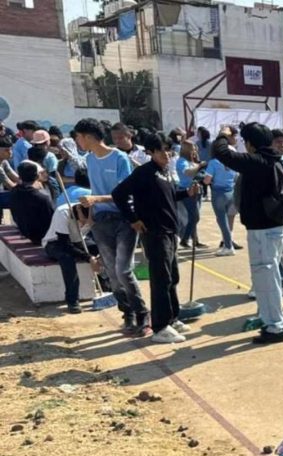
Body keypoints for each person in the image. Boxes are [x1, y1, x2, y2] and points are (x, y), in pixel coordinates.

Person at [211, 124, 283, 344]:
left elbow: (221, 152)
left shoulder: (258, 162)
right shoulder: (275, 161)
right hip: (270, 228)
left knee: (267, 279)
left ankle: (276, 326)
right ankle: (270, 322)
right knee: (265, 279)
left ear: (250, 144)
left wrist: (223, 135)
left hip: (264, 230)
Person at [109, 132, 196, 344]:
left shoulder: (165, 171)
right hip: (155, 233)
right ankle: (160, 327)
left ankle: (172, 318)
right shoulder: (144, 172)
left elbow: (170, 196)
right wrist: (133, 219)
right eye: (162, 151)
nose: (167, 154)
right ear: (151, 152)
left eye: (169, 150)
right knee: (160, 279)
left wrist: (187, 193)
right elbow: (119, 194)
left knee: (172, 277)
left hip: (170, 232)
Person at [74, 118, 150, 337]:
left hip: (124, 219)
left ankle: (142, 314)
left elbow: (124, 192)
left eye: (78, 137)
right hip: (101, 221)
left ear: (88, 136)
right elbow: (94, 191)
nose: (77, 142)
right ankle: (127, 313)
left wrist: (96, 199)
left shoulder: (119, 158)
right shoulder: (89, 159)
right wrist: (90, 216)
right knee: (111, 272)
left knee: (123, 270)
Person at [42, 197, 95, 313]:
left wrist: (95, 258)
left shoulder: (92, 214)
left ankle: (107, 284)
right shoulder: (62, 212)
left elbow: (81, 240)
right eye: (83, 220)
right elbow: (65, 244)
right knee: (67, 259)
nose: (84, 223)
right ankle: (72, 300)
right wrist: (88, 258)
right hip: (56, 243)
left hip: (78, 240)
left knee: (100, 249)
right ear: (79, 210)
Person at [204, 136, 239, 256]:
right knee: (228, 219)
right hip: (231, 192)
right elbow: (236, 177)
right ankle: (228, 244)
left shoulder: (213, 162)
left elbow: (207, 180)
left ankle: (228, 246)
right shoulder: (233, 162)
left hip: (218, 193)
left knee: (222, 221)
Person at [10, 161, 54, 245]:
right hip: (41, 236)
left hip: (24, 231)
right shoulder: (42, 197)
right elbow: (51, 221)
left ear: (19, 176)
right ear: (37, 176)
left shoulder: (14, 192)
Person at [175, 141, 206, 249]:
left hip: (197, 190)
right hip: (187, 190)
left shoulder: (193, 160)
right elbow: (188, 172)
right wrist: (199, 166)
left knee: (194, 217)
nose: (195, 150)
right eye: (193, 149)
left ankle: (195, 240)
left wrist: (198, 163)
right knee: (194, 217)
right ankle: (185, 239)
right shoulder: (181, 161)